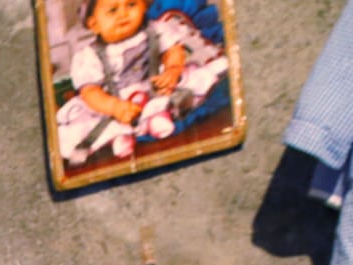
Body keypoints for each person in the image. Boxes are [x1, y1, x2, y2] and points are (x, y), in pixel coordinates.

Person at [54, 0, 229, 166]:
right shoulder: (89, 56)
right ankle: (120, 137)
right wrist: (115, 107)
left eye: (131, 4)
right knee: (94, 122)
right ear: (94, 25)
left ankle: (158, 118)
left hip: (152, 85)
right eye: (112, 10)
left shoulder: (155, 30)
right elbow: (90, 91)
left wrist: (173, 70)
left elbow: (172, 51)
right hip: (115, 102)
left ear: (144, 5)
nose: (123, 14)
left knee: (188, 80)